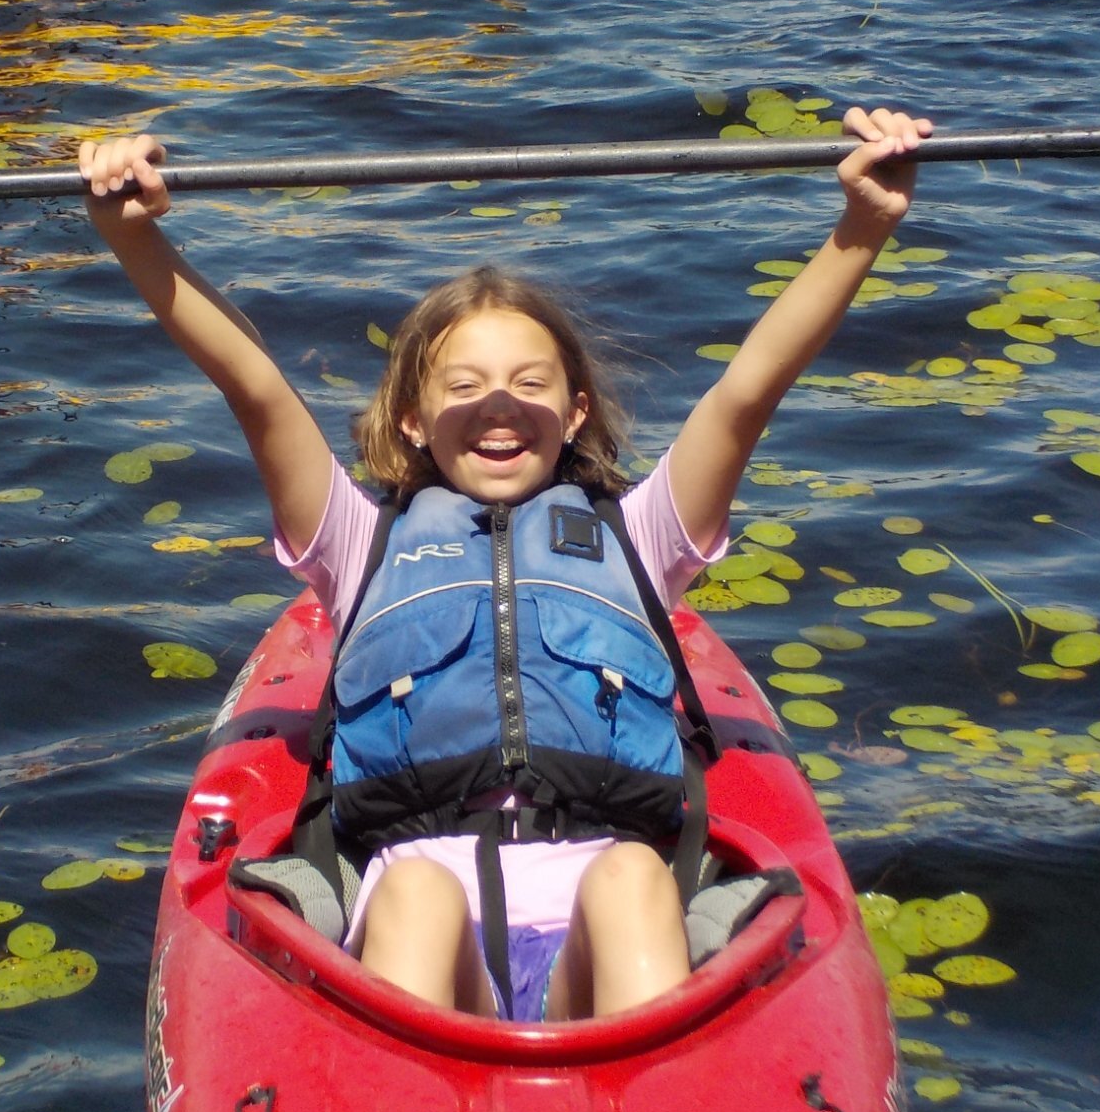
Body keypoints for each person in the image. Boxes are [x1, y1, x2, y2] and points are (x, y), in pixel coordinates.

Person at [79, 106, 926, 1020]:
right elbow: (254, 387)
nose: (499, 405)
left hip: (606, 919)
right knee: (417, 897)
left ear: (572, 414)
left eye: (530, 384)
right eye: (464, 385)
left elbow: (747, 390)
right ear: (410, 417)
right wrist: (137, 242)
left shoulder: (639, 536)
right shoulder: (360, 545)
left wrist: (861, 229)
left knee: (634, 877)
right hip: (421, 914)